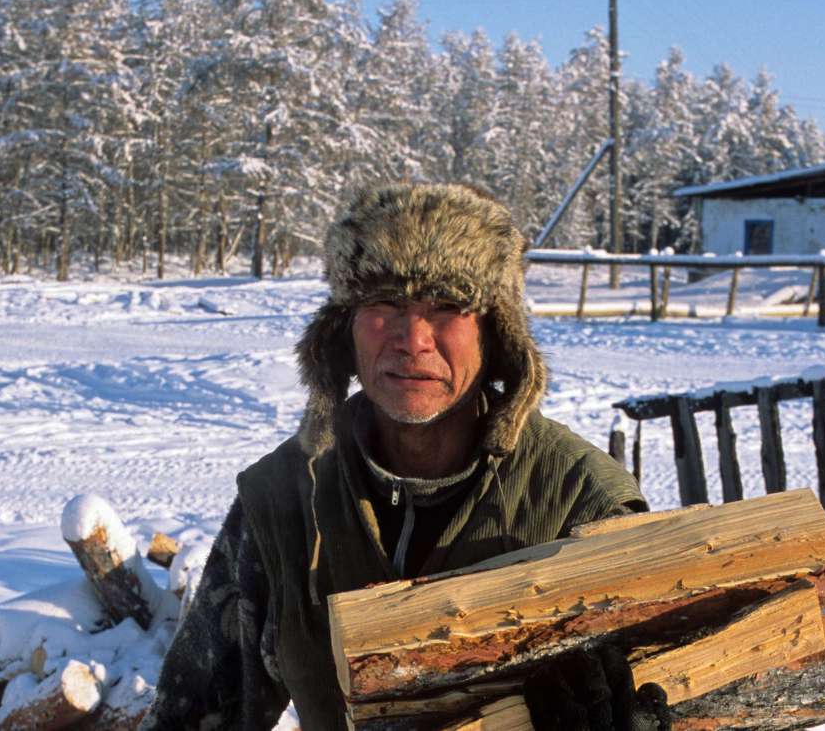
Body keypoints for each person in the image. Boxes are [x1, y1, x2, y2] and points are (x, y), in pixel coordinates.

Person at [141, 183, 664, 730]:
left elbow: (672, 690)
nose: (412, 338)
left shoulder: (580, 501)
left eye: (447, 306)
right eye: (385, 303)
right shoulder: (286, 496)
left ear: (495, 332)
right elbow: (194, 713)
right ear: (344, 327)